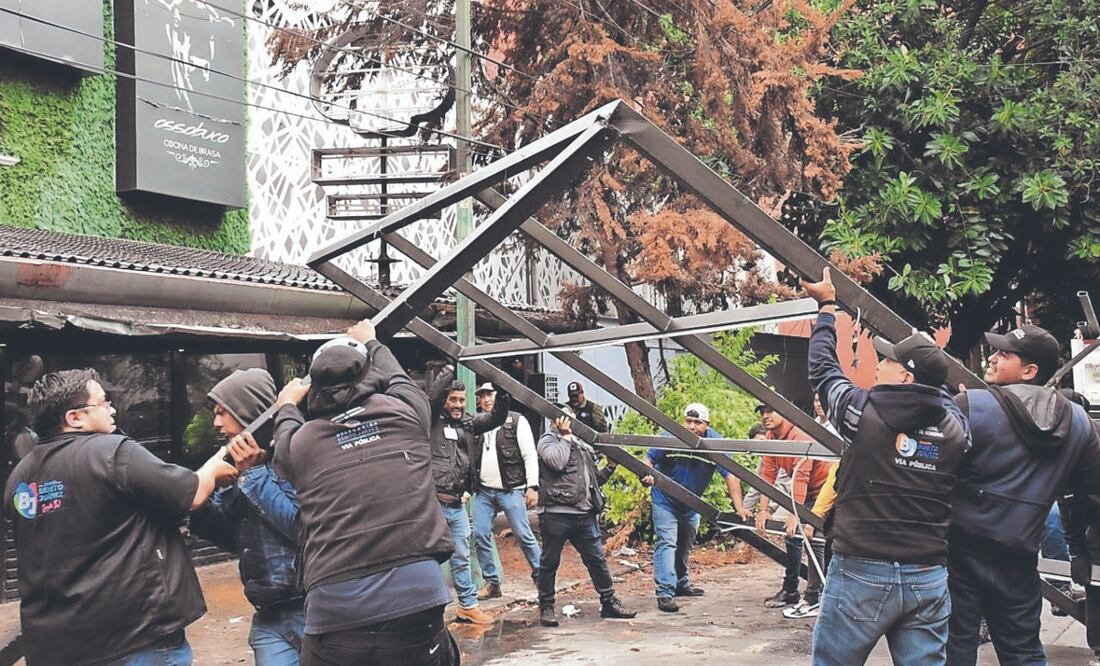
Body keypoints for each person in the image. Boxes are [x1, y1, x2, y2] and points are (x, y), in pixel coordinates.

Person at [5, 368, 238, 665]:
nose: (112, 409)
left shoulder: (20, 479)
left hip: (57, 647)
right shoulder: (113, 452)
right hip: (134, 639)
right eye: (103, 403)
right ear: (74, 418)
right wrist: (218, 464)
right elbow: (191, 494)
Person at [803, 267, 969, 664]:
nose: (878, 362)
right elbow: (948, 401)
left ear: (906, 376)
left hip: (862, 568)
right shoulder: (956, 429)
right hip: (927, 574)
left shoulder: (861, 411)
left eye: (888, 360)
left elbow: (824, 371)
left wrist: (827, 308)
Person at [274, 321, 458, 665]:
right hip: (417, 598)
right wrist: (373, 341)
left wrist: (286, 403)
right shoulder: (405, 414)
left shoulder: (303, 443)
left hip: (336, 610)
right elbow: (402, 382)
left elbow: (281, 447)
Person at [946, 323, 1100, 665]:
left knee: (953, 652)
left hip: (958, 557)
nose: (993, 357)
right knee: (1024, 654)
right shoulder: (1078, 423)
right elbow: (1090, 494)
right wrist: (1081, 550)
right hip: (1018, 560)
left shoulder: (971, 405)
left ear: (1030, 371)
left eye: (1004, 354)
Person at [189, 368, 304, 665]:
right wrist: (201, 501)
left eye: (221, 412)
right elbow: (233, 537)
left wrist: (253, 475)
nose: (215, 423)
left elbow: (301, 528)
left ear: (248, 411)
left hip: (313, 607)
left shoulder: (295, 455)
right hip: (268, 612)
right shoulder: (235, 465)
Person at [640, 402, 749, 613]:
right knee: (667, 542)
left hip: (691, 503)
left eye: (697, 422)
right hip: (665, 500)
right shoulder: (669, 437)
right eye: (688, 421)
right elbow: (648, 459)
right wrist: (646, 474)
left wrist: (740, 507)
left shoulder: (714, 443)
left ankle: (681, 583)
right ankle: (665, 592)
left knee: (684, 545)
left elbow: (730, 475)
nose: (691, 426)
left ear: (707, 424)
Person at [536, 406, 636, 627]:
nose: (569, 422)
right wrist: (565, 436)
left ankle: (609, 602)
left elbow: (592, 482)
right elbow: (557, 462)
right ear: (555, 421)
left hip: (584, 514)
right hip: (556, 514)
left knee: (597, 560)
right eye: (564, 418)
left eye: (571, 419)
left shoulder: (582, 445)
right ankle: (546, 607)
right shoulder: (548, 441)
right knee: (550, 562)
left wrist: (609, 468)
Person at [429, 367, 509, 624]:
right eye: (453, 399)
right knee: (429, 561)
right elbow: (430, 399)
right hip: (433, 505)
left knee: (462, 557)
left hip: (456, 504)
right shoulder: (430, 420)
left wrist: (501, 385)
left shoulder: (468, 423)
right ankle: (431, 613)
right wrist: (448, 369)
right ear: (444, 400)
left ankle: (467, 605)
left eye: (462, 400)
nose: (458, 405)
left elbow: (496, 417)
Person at [754, 404, 831, 610]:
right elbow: (767, 475)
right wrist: (763, 510)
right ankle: (791, 590)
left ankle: (815, 595)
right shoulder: (771, 436)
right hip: (805, 493)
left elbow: (801, 476)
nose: (765, 416)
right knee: (793, 537)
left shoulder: (801, 436)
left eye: (771, 410)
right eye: (762, 412)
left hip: (825, 491)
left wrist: (796, 514)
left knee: (813, 539)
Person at [471, 383, 542, 600]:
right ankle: (492, 582)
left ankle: (542, 577)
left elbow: (530, 454)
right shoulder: (477, 424)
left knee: (523, 534)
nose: (486, 399)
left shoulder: (516, 420)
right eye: (482, 396)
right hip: (484, 491)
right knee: (480, 533)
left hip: (511, 489)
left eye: (489, 394)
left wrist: (532, 486)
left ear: (498, 396)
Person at [784, 395, 839, 621]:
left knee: (820, 541)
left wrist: (811, 516)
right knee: (810, 539)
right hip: (820, 492)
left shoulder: (837, 429)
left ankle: (816, 595)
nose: (818, 404)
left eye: (823, 400)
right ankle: (809, 592)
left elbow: (831, 476)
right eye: (815, 399)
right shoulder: (813, 427)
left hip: (832, 492)